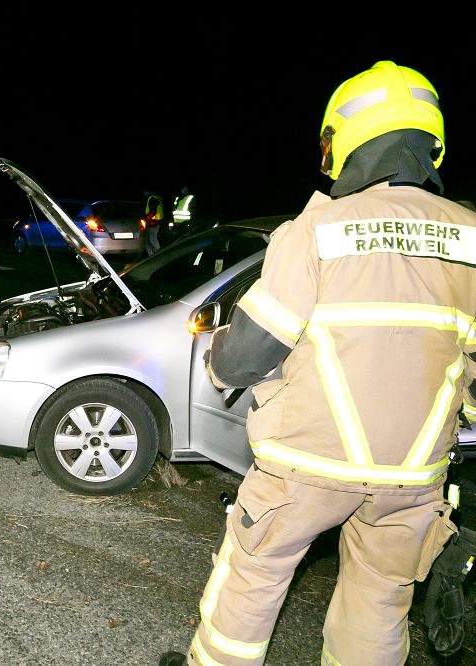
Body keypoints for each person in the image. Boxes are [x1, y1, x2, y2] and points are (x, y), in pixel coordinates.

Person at [160, 60, 476, 665]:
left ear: (348, 140)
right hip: (412, 477)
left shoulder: (317, 229)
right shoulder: (468, 239)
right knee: (381, 604)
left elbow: (249, 352)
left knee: (252, 579)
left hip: (304, 465)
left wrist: (218, 368)